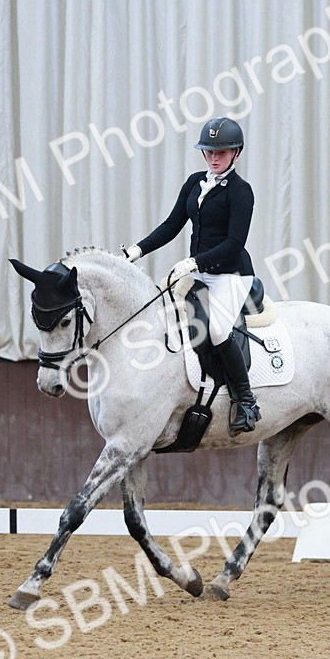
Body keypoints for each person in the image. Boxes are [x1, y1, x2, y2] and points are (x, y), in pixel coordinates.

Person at [122, 116, 261, 436]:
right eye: (209, 151)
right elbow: (172, 226)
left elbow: (234, 243)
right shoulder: (195, 182)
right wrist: (137, 251)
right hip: (198, 272)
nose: (214, 157)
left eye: (222, 152)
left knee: (215, 330)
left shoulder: (241, 192)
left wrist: (195, 263)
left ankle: (247, 400)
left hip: (231, 274)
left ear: (236, 153)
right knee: (166, 315)